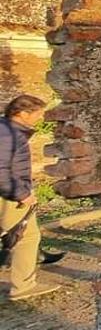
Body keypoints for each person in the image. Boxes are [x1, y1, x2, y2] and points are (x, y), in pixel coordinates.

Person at [1, 94, 60, 301]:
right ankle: (23, 286)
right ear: (23, 113)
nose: (39, 118)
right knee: (27, 237)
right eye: (37, 114)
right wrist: (22, 194)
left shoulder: (7, 129)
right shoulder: (9, 134)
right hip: (9, 195)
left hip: (9, 190)